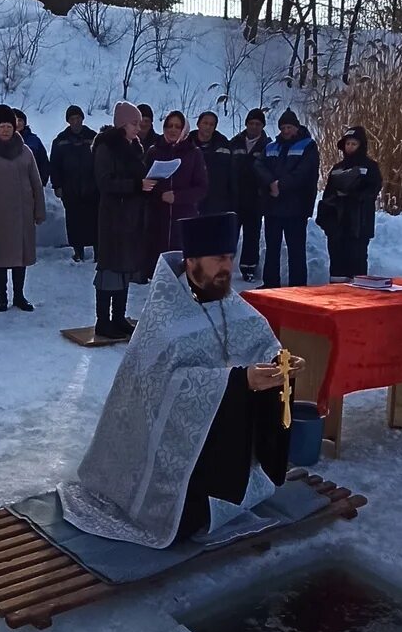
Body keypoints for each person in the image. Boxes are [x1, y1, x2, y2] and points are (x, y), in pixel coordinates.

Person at [60, 211, 305, 548]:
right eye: (218, 259)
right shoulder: (164, 323)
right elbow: (166, 390)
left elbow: (262, 342)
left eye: (230, 258)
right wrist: (238, 381)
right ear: (191, 263)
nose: (227, 268)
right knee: (188, 521)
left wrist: (281, 364)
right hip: (165, 451)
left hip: (224, 438)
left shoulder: (230, 302)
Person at [0, 104, 45, 312]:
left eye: (9, 126)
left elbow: (36, 183)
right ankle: (2, 296)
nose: (5, 130)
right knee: (1, 258)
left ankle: (19, 295)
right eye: (1, 126)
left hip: (23, 214)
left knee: (20, 258)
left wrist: (39, 210)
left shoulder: (25, 152)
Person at [91, 101, 150, 340]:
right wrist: (136, 185)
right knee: (110, 268)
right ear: (121, 124)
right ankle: (103, 320)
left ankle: (118, 317)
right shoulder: (106, 147)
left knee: (125, 268)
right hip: (113, 216)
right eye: (134, 123)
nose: (139, 127)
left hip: (131, 215)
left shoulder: (135, 146)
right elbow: (104, 182)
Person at [254, 108, 319, 288]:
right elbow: (259, 165)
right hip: (273, 206)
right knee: (272, 249)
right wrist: (270, 182)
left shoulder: (308, 146)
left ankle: (298, 287)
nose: (286, 131)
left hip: (296, 207)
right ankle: (270, 284)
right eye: (283, 128)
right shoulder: (271, 146)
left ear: (296, 127)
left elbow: (303, 173)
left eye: (289, 127)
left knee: (296, 250)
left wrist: (279, 185)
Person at [142, 110, 208, 276]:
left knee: (183, 274)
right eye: (169, 126)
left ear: (183, 129)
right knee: (158, 274)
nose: (173, 130)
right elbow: (144, 185)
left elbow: (201, 188)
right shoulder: (153, 151)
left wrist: (177, 197)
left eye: (177, 126)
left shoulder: (194, 153)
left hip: (184, 220)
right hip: (158, 221)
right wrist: (158, 194)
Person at [316, 125, 383, 282]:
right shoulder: (337, 168)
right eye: (347, 144)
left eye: (354, 144)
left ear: (361, 145)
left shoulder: (370, 167)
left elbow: (373, 190)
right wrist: (327, 221)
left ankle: (358, 299)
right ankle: (337, 297)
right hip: (337, 224)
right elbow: (328, 195)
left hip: (359, 224)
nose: (350, 147)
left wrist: (354, 193)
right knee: (337, 266)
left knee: (357, 263)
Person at [49, 104, 98, 262]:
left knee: (94, 221)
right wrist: (57, 185)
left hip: (92, 188)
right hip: (70, 188)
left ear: (83, 119)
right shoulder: (60, 140)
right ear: (68, 121)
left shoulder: (94, 137)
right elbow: (54, 165)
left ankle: (98, 251)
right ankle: (78, 251)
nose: (76, 122)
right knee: (74, 221)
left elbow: (102, 161)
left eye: (78, 118)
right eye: (72, 119)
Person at [231, 109, 269, 282]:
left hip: (255, 198)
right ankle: (224, 267)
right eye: (251, 123)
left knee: (252, 235)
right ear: (246, 124)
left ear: (262, 126)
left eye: (258, 124)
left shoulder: (267, 146)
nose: (254, 127)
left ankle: (249, 268)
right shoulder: (235, 143)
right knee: (230, 234)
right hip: (235, 197)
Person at [192, 110, 235, 215]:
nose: (208, 127)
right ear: (198, 124)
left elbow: (232, 175)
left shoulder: (224, 145)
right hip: (192, 201)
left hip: (217, 203)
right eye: (205, 123)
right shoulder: (187, 143)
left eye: (212, 124)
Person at [12, 108, 50, 187]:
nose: (17, 123)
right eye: (14, 120)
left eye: (20, 120)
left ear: (24, 123)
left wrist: (42, 181)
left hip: (30, 186)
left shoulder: (34, 140)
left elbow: (43, 161)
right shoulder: (2, 140)